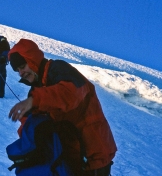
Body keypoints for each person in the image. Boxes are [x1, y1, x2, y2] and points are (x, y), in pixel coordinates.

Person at [7, 39, 117, 176]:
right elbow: (31, 124)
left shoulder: (58, 69)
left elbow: (71, 93)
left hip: (93, 153)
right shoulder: (37, 90)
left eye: (22, 66)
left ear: (32, 59)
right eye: (17, 70)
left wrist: (35, 101)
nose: (21, 72)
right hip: (69, 155)